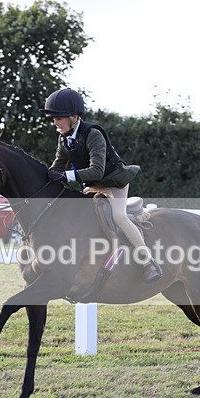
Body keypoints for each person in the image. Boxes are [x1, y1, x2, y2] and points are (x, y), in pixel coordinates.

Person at [41, 88, 163, 283]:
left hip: (114, 181)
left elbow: (97, 170)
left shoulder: (93, 134)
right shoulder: (64, 139)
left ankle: (148, 262)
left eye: (59, 118)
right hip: (94, 186)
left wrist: (66, 175)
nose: (55, 122)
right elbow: (57, 166)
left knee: (119, 217)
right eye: (53, 119)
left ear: (74, 117)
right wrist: (45, 177)